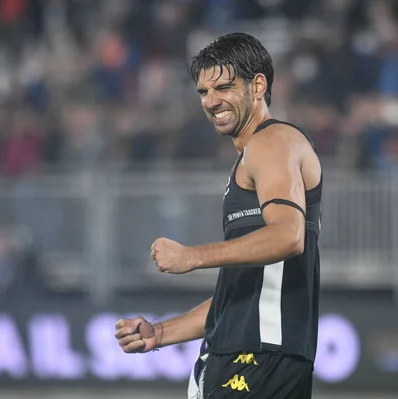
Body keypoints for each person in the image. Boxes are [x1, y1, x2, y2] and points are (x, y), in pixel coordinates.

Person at [114, 32, 323, 398]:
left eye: (223, 87)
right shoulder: (256, 155)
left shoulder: (271, 142)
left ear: (258, 85)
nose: (211, 102)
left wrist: (192, 257)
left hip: (255, 359)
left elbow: (289, 236)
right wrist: (162, 333)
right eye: (203, 93)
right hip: (253, 355)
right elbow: (243, 292)